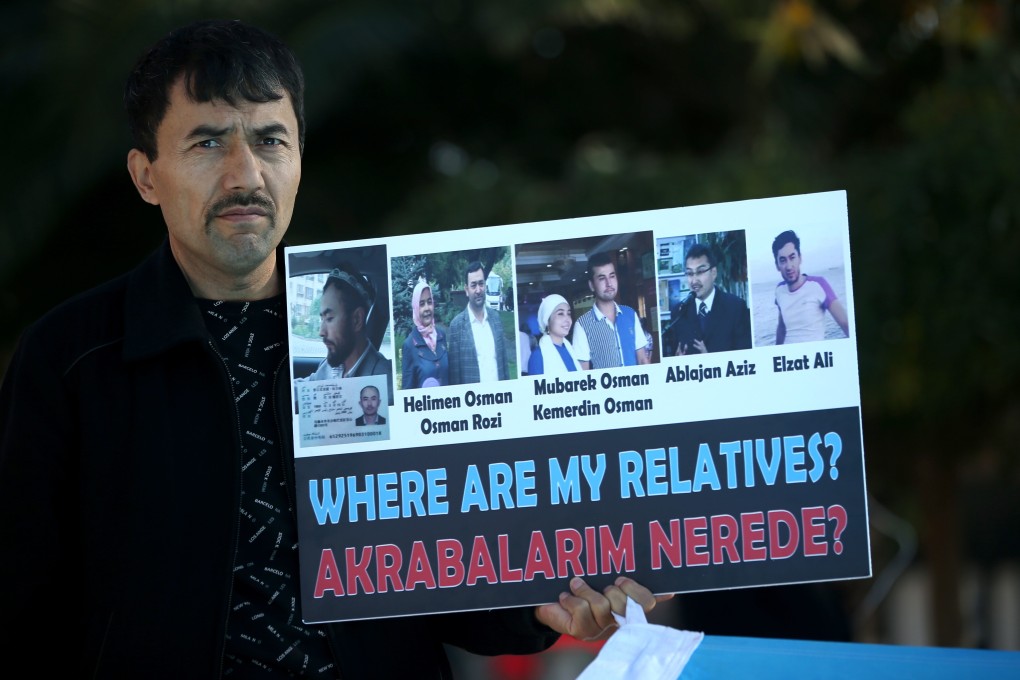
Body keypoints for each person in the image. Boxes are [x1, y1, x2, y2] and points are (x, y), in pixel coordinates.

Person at [0, 19, 668, 678]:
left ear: (298, 158)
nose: (244, 174)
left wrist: (544, 606)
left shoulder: (383, 347)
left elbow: (447, 585)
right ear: (146, 176)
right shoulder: (72, 359)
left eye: (270, 140)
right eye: (207, 143)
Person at [303, 262, 394, 403]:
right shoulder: (327, 366)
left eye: (329, 318)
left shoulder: (387, 382)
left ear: (357, 320)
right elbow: (302, 389)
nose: (321, 332)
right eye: (322, 319)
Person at [667, 242, 751, 355]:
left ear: (714, 273)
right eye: (690, 273)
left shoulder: (736, 307)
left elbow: (746, 359)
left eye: (700, 272)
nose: (694, 280)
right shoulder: (679, 312)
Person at [572, 251, 651, 369]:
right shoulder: (582, 325)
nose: (609, 283)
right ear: (592, 285)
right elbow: (583, 374)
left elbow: (642, 360)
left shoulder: (630, 314)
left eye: (612, 276)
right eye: (602, 278)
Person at [772, 229, 850, 344]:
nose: (789, 266)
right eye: (783, 260)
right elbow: (782, 328)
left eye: (792, 257)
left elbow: (846, 323)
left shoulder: (818, 284)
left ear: (800, 258)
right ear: (777, 265)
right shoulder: (779, 290)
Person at [447, 261, 510, 384]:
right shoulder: (457, 326)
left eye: (481, 284)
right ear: (466, 290)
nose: (478, 290)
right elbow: (455, 377)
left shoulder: (496, 319)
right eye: (473, 285)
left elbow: (504, 365)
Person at [401, 277, 448, 389]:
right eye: (421, 304)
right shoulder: (409, 345)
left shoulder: (441, 336)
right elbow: (407, 392)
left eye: (429, 302)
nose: (427, 308)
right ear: (416, 308)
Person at [527, 294, 582, 375]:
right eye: (560, 314)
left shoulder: (570, 349)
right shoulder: (538, 356)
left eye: (569, 313)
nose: (567, 319)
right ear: (547, 320)